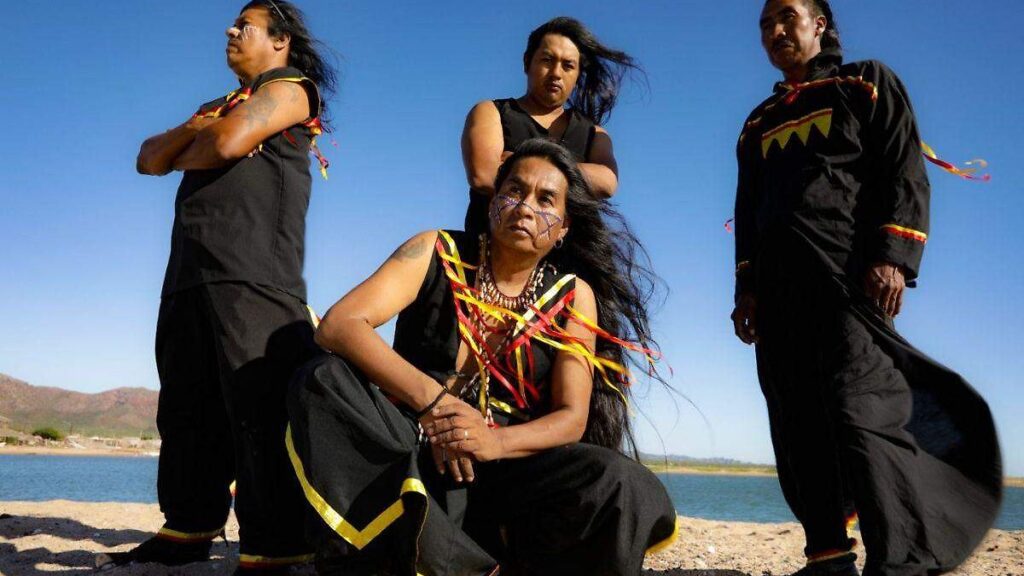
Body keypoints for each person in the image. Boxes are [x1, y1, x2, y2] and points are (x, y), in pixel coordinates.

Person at [287, 139, 677, 575]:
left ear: (564, 227)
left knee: (624, 483)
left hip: (505, 472)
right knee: (321, 378)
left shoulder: (572, 295)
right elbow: (340, 324)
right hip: (409, 448)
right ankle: (465, 567)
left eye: (545, 200)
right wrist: (436, 406)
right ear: (493, 203)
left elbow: (571, 418)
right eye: (515, 191)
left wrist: (493, 442)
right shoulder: (435, 250)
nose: (525, 207)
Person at [731, 1, 1002, 574]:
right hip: (779, 297)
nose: (775, 31)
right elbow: (748, 210)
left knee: (862, 414)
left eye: (786, 17)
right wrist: (746, 290)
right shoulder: (758, 122)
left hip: (849, 285)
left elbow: (905, 170)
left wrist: (894, 258)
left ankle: (899, 560)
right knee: (797, 422)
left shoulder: (866, 83)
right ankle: (828, 556)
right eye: (765, 25)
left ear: (819, 24)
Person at [124, 1, 337, 572]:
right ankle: (188, 528)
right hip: (189, 272)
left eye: (246, 25)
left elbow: (228, 143)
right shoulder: (213, 108)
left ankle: (276, 545)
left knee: (258, 406)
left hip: (255, 272)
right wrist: (194, 130)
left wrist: (194, 146)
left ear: (280, 40)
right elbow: (147, 159)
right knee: (186, 404)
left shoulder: (292, 89)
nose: (230, 29)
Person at [461, 17, 640, 237]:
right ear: (527, 62)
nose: (556, 73)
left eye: (568, 66)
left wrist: (515, 164)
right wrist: (572, 179)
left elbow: (607, 182)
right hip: (491, 248)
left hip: (572, 253)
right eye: (547, 60)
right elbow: (484, 175)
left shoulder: (594, 134)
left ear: (578, 74)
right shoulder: (491, 112)